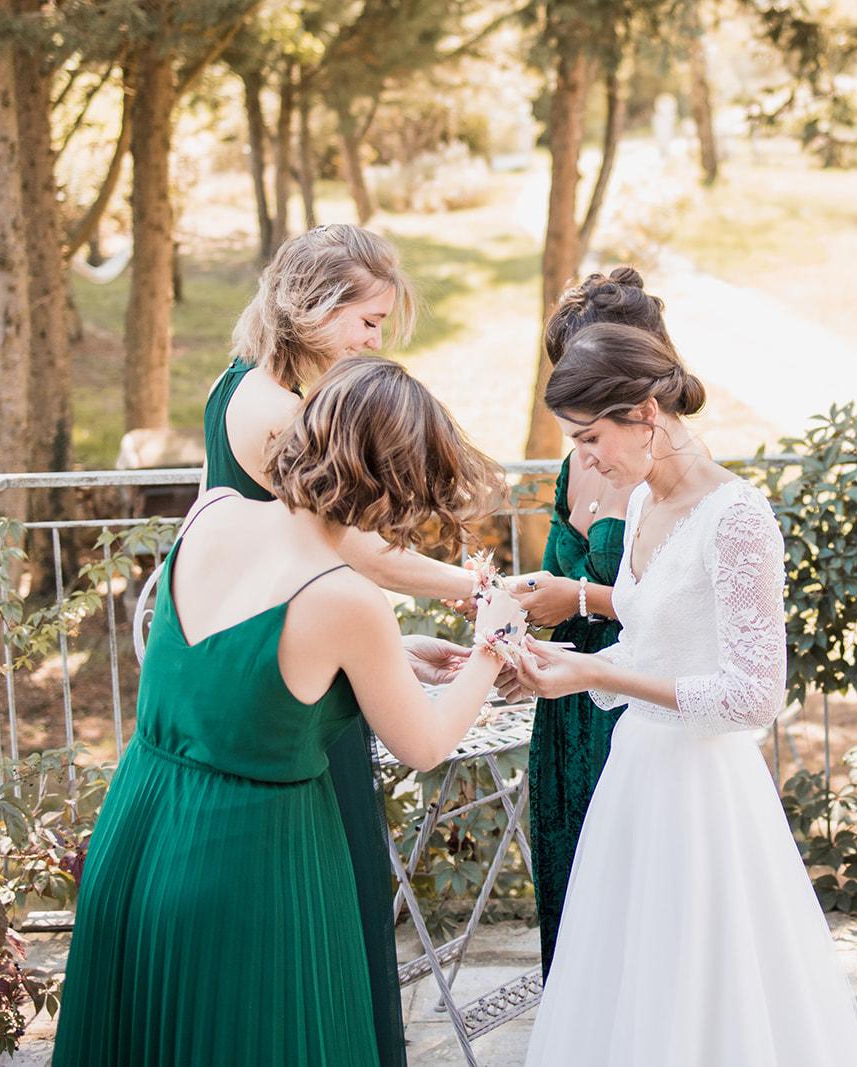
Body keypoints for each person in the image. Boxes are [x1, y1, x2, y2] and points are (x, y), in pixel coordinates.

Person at [53, 357, 516, 1065]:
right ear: (390, 492)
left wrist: (395, 652)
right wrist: (493, 642)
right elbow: (424, 743)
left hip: (137, 835)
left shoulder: (215, 510)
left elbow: (237, 676)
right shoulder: (345, 598)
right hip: (249, 867)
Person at [512, 323, 857, 1067]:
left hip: (704, 798)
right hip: (634, 781)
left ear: (646, 415)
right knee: (630, 994)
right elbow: (656, 639)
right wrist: (552, 656)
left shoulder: (738, 518)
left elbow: (752, 696)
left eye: (589, 438)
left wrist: (597, 674)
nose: (583, 459)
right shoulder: (643, 500)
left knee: (708, 1001)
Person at [202, 224, 487, 1063]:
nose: (373, 341)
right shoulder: (277, 413)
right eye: (366, 321)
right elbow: (350, 546)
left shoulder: (248, 385)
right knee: (337, 878)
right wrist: (474, 588)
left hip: (303, 637)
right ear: (312, 308)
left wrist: (392, 653)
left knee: (353, 873)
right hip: (290, 677)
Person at [511, 267, 675, 976]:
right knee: (570, 878)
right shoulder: (574, 463)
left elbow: (673, 597)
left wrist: (578, 598)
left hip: (630, 695)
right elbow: (558, 570)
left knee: (634, 901)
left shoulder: (670, 468)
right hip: (565, 705)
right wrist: (512, 608)